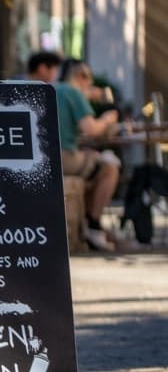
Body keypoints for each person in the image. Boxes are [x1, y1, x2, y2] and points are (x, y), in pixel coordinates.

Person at [54, 58, 122, 252]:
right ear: (81, 76)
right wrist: (107, 120)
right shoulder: (73, 92)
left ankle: (86, 223)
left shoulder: (53, 89)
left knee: (93, 163)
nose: (90, 84)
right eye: (89, 78)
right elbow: (91, 129)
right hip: (64, 158)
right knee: (109, 167)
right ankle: (93, 225)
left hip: (50, 156)